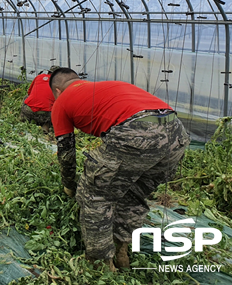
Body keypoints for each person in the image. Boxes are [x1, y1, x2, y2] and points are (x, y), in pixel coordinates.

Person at [49, 68, 190, 272]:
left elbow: (66, 153)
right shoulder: (104, 87)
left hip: (138, 132)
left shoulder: (61, 102)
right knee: (132, 193)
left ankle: (100, 265)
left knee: (94, 193)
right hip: (176, 132)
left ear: (57, 90)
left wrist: (69, 185)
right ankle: (120, 251)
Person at [20, 65, 59, 132]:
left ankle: (23, 118)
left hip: (29, 111)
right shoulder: (58, 84)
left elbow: (29, 92)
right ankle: (46, 126)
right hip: (45, 114)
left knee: (26, 97)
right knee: (57, 107)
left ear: (48, 72)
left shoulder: (39, 77)